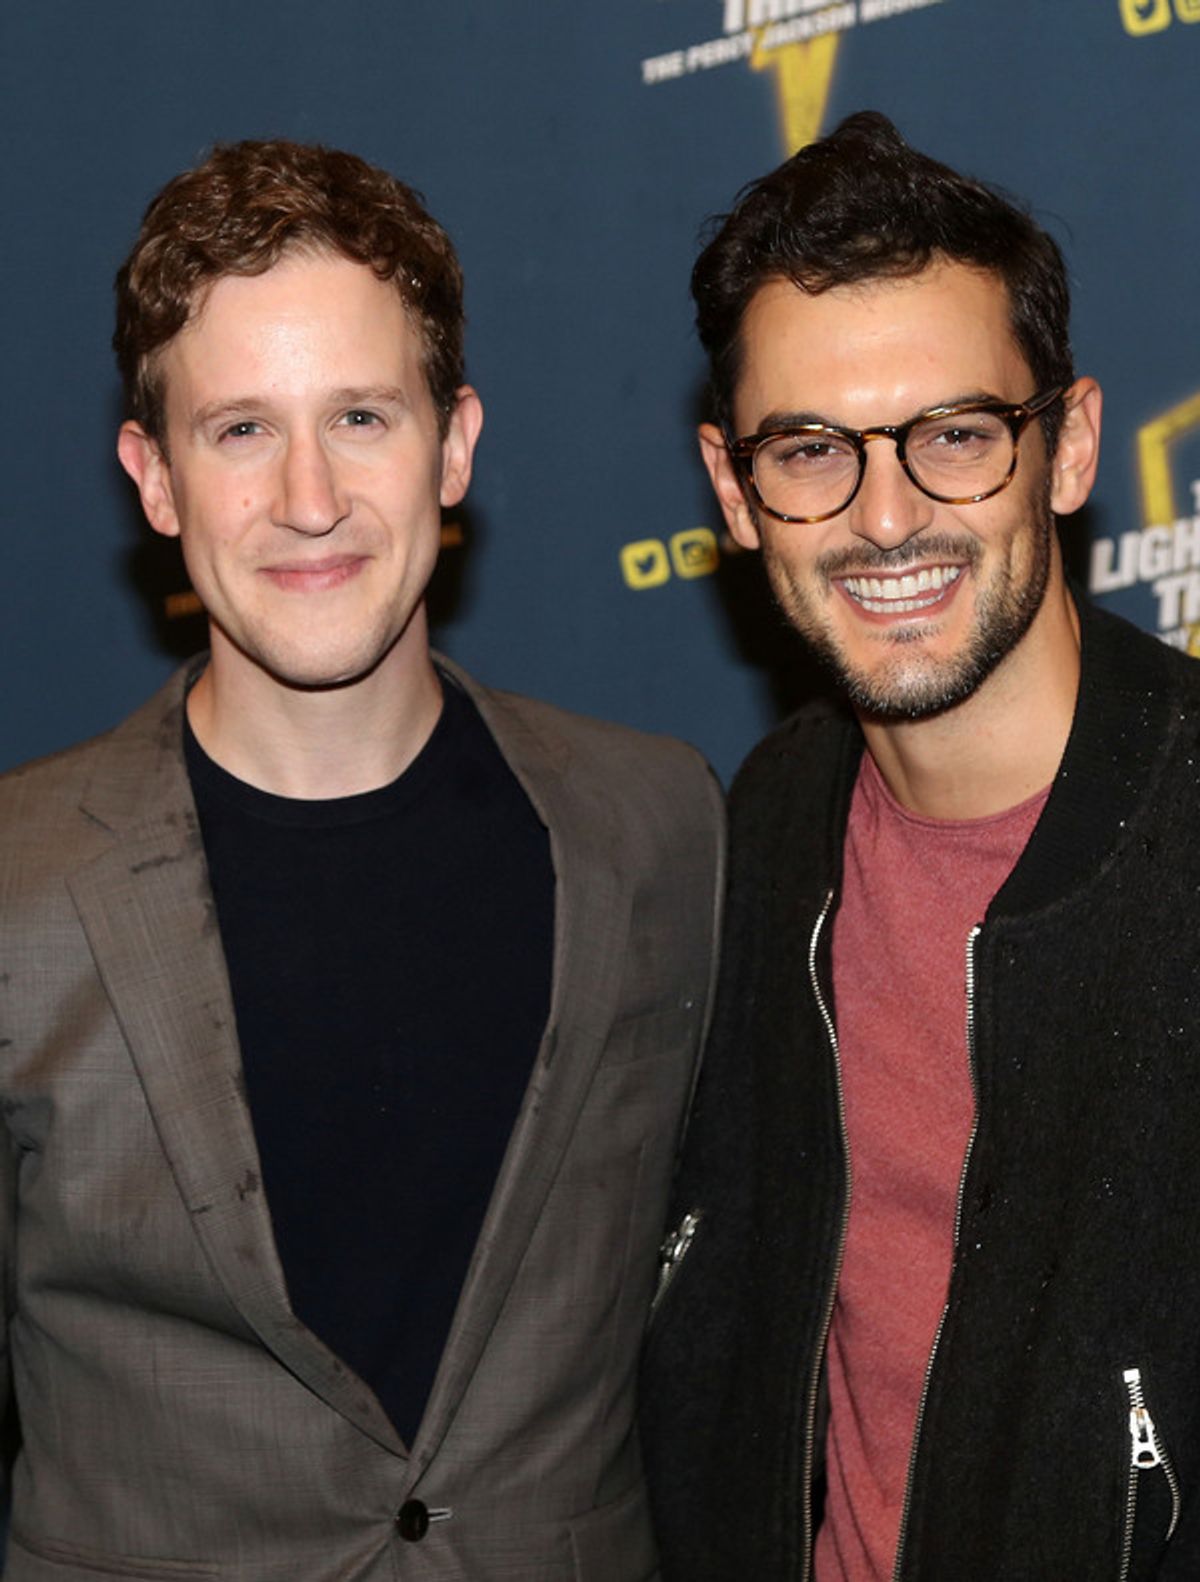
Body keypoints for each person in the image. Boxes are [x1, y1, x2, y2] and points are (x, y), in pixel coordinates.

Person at [0, 138, 723, 1581]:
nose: (311, 497)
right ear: (153, 476)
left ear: (454, 443)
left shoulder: (662, 826)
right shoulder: (16, 891)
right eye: (240, 431)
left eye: (362, 417)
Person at [641, 111, 1200, 1581]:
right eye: (812, 450)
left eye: (957, 436)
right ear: (733, 489)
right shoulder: (756, 834)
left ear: (1069, 446)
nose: (887, 519)